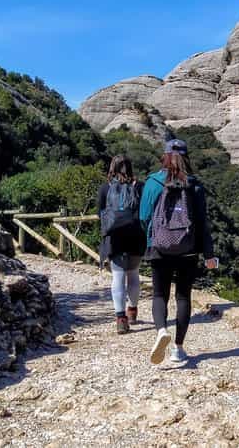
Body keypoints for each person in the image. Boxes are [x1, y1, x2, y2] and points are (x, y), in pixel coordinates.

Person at [140, 138, 217, 364]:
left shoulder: (154, 182)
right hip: (188, 249)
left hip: (159, 247)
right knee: (183, 296)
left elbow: (144, 217)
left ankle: (162, 330)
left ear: (165, 156)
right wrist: (209, 254)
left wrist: (153, 237)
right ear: (186, 157)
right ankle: (178, 348)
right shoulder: (194, 185)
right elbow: (202, 223)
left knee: (159, 294)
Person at [98, 155, 147, 334]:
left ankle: (120, 319)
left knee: (117, 276)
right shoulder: (139, 187)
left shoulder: (105, 188)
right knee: (133, 274)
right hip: (135, 236)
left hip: (114, 238)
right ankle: (132, 311)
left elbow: (100, 214)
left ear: (112, 167)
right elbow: (144, 212)